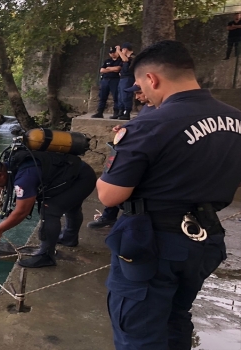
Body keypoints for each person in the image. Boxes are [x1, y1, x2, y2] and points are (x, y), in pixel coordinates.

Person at [96, 40, 241, 349]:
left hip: (153, 244)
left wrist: (118, 153)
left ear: (152, 79)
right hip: (205, 239)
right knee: (176, 318)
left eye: (138, 85)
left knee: (137, 333)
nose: (139, 94)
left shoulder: (150, 124)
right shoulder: (236, 120)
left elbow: (109, 196)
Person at [0, 151, 96, 268]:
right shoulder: (8, 168)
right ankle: (69, 238)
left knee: (49, 210)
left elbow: (22, 211)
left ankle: (46, 256)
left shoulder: (24, 178)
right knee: (71, 206)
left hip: (82, 179)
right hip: (75, 173)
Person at [88, 83, 155, 229]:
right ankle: (109, 216)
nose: (136, 97)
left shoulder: (160, 110)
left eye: (139, 92)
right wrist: (124, 128)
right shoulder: (147, 107)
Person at [92, 46, 122, 119]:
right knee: (102, 96)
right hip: (105, 79)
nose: (112, 54)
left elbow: (118, 69)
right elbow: (102, 70)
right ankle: (100, 112)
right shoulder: (107, 61)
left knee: (116, 97)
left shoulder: (120, 60)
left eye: (114, 52)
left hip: (115, 79)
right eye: (111, 53)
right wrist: (112, 69)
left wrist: (108, 69)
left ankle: (116, 112)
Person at [115, 42, 136, 120]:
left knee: (126, 95)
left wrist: (119, 51)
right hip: (123, 78)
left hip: (128, 78)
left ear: (125, 49)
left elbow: (126, 60)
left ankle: (127, 112)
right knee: (120, 96)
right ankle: (120, 111)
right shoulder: (124, 58)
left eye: (122, 50)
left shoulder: (132, 57)